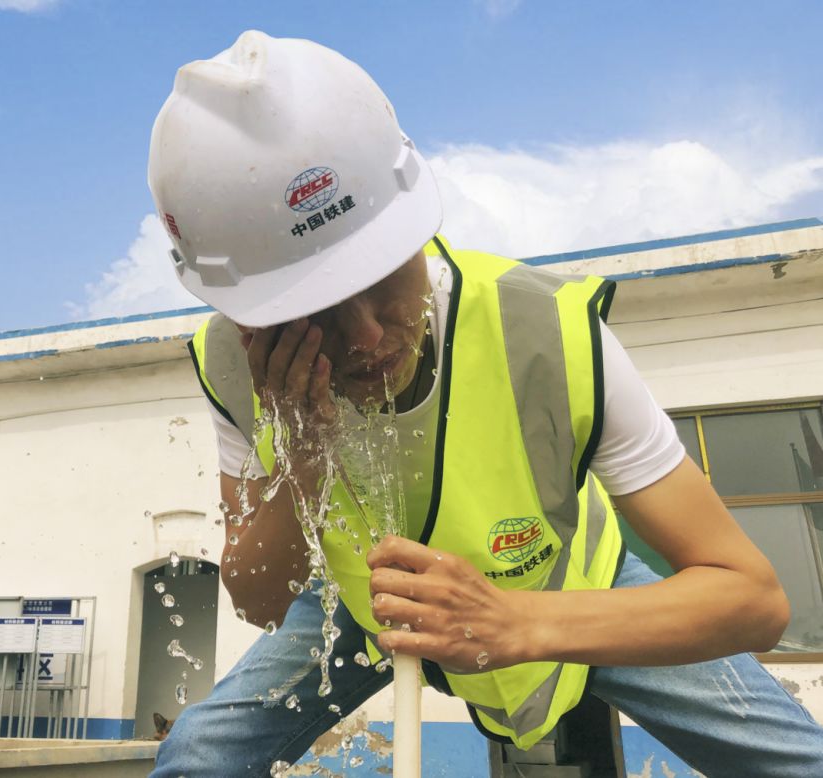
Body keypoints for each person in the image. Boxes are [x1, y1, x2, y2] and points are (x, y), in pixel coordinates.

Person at [146, 30, 823, 776]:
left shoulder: (547, 330)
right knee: (196, 757)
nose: (367, 335)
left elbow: (752, 598)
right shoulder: (237, 369)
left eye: (381, 276)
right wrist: (303, 447)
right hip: (367, 609)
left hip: (568, 582)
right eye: (315, 312)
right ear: (248, 315)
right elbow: (260, 598)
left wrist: (520, 621)